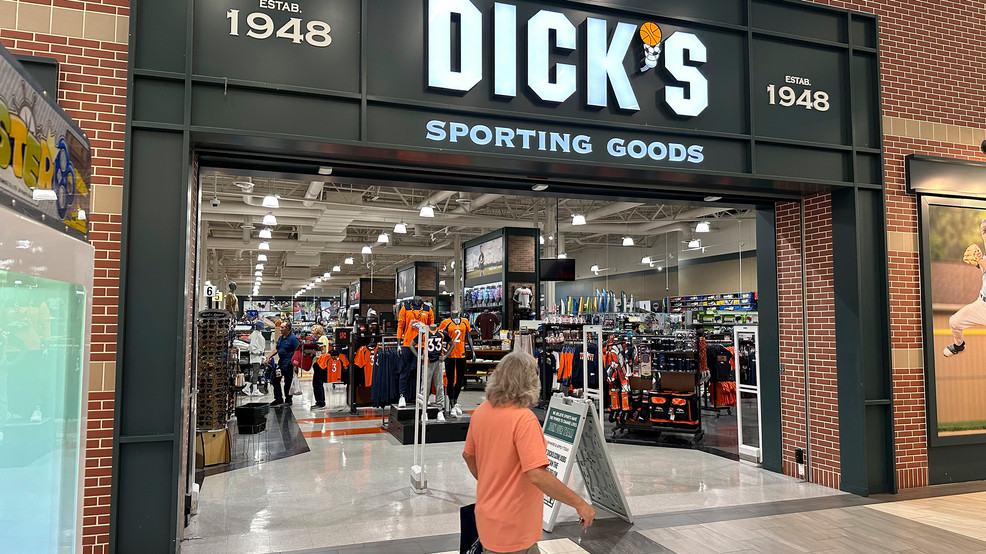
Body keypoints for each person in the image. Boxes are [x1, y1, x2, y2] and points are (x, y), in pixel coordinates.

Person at [462, 352, 594, 554]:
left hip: (488, 517)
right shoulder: (524, 420)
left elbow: (468, 455)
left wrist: (490, 482)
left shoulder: (481, 411)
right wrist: (580, 504)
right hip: (515, 525)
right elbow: (538, 475)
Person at [945, 218, 986, 357]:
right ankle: (959, 345)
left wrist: (979, 260)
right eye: (984, 231)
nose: (985, 233)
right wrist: (978, 260)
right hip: (982, 305)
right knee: (954, 322)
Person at [267, 322, 300, 407]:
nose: (280, 329)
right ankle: (278, 399)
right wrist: (269, 357)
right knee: (275, 380)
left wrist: (296, 365)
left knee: (287, 382)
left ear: (288, 329)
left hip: (289, 364)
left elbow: (298, 352)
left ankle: (288, 400)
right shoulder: (281, 337)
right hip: (281, 363)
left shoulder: (293, 339)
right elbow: (277, 349)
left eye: (282, 327)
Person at [247, 321, 267, 396]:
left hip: (257, 356)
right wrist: (257, 352)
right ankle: (254, 390)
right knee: (256, 372)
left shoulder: (256, 334)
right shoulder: (257, 335)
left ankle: (246, 388)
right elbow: (252, 346)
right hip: (256, 356)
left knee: (255, 372)